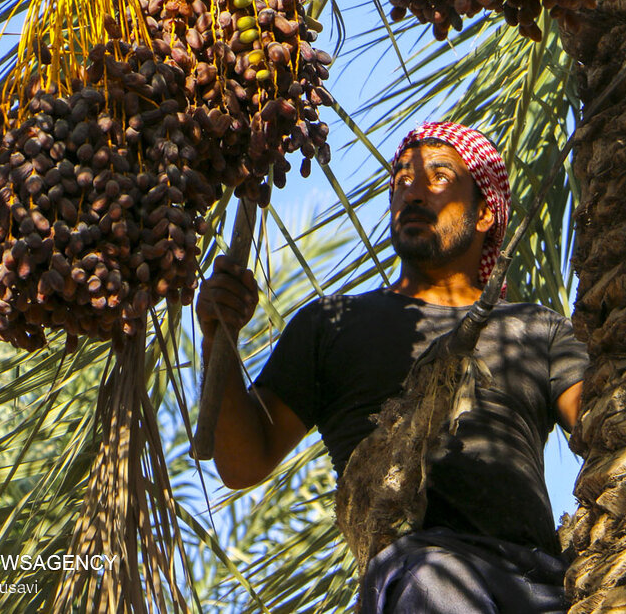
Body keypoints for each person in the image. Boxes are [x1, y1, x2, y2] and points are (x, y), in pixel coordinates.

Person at [197, 121, 588, 613]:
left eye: (439, 177)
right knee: (431, 577)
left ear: (486, 212)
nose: (412, 191)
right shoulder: (331, 326)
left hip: (543, 584)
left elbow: (605, 433)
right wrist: (219, 340)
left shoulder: (537, 327)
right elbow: (242, 462)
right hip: (420, 580)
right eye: (401, 178)